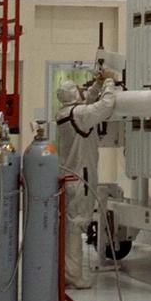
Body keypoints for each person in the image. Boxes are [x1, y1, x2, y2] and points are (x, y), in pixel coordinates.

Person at [56, 70, 118, 288]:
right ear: (75, 95)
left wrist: (97, 85)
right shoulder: (80, 116)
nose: (83, 93)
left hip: (71, 176)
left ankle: (68, 271)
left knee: (72, 226)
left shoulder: (66, 114)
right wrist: (110, 81)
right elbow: (106, 105)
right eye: (80, 91)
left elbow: (88, 104)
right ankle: (73, 275)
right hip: (81, 178)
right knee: (76, 226)